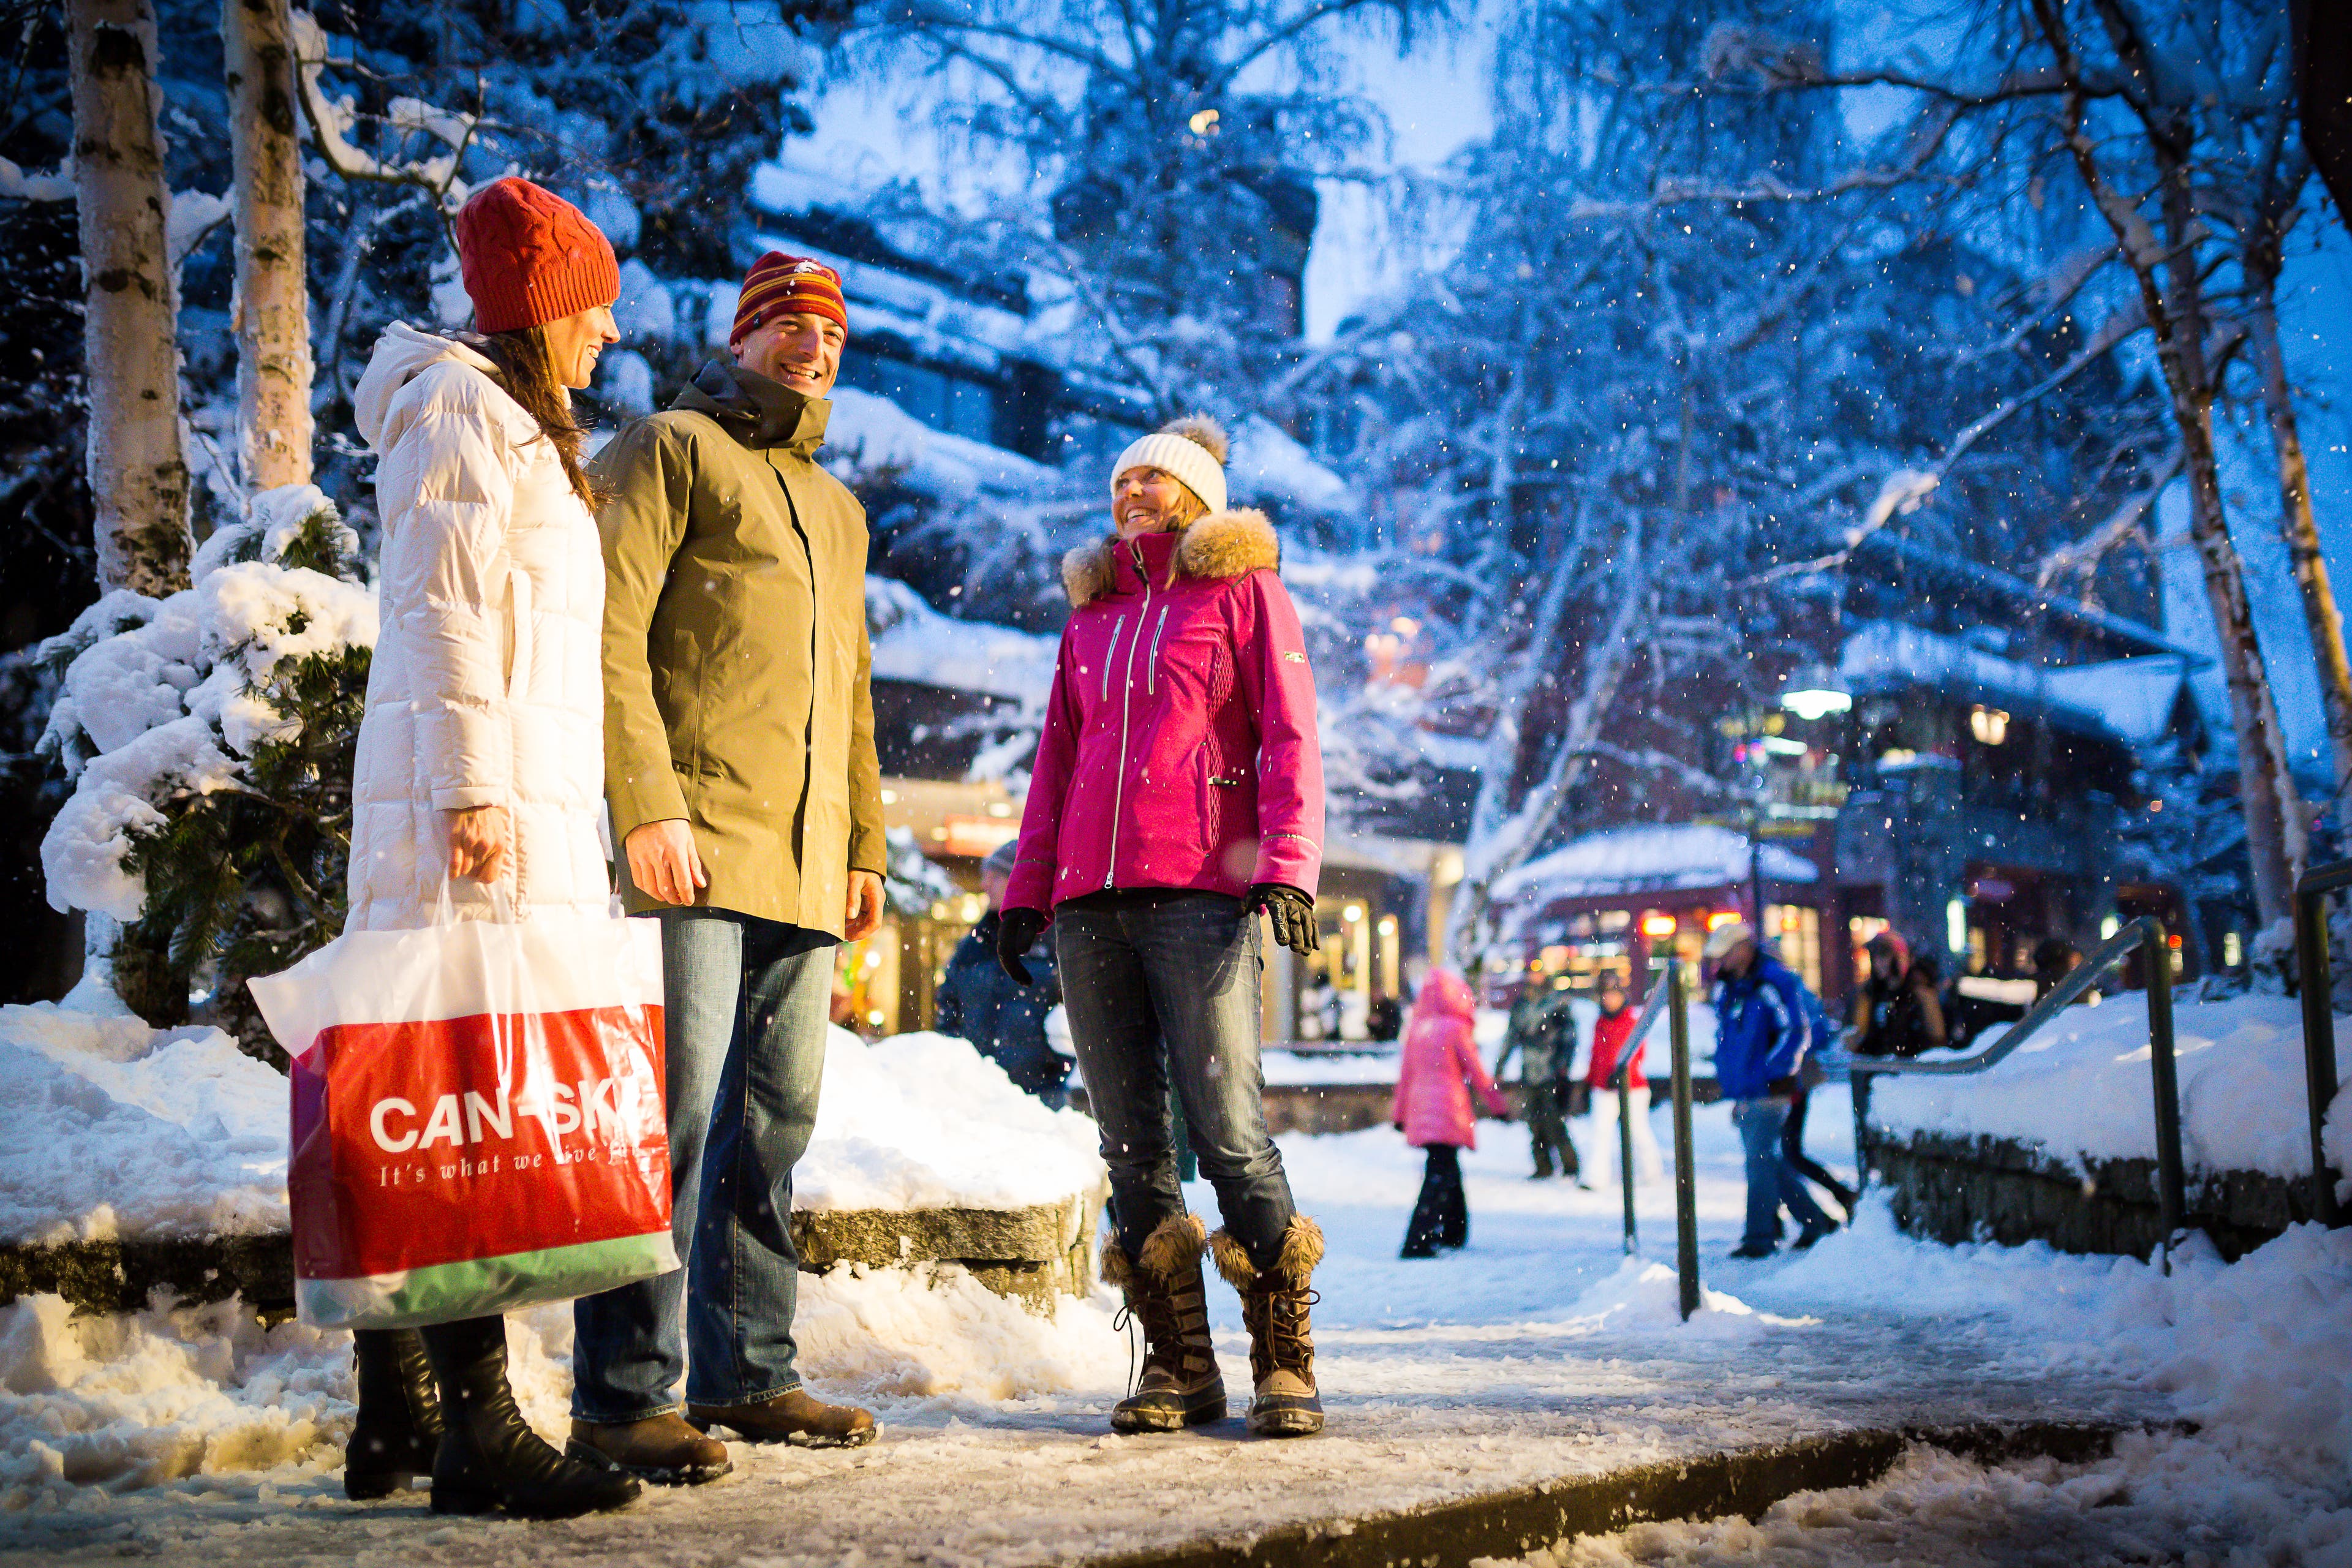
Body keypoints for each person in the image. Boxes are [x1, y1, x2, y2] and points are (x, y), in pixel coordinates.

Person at [340, 177, 636, 1518]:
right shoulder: (464, 405)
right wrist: (473, 792)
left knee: (437, 1090)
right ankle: (477, 1426)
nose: (608, 339)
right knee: (463, 1109)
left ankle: (395, 1416)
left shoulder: (508, 417)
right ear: (541, 306)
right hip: (473, 810)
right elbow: (444, 606)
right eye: (593, 311)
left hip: (504, 798)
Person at [572, 250, 887, 1483]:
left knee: (774, 1128)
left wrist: (862, 841)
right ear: (747, 335)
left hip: (805, 863)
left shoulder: (840, 507)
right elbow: (606, 634)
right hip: (692, 844)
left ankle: (748, 1372)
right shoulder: (668, 448)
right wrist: (644, 804)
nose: (813, 349)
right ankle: (623, 1394)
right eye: (791, 329)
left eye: (832, 336)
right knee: (668, 1122)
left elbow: (851, 694)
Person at [998, 415, 1329, 1438]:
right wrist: (1027, 888)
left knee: (1229, 1136)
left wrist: (1287, 866)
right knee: (1132, 1146)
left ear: (1194, 499)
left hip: (1200, 892)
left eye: (1154, 480)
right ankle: (1179, 1365)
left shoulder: (1241, 593)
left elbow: (1290, 730)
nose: (1132, 494)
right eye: (1121, 482)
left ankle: (1285, 1361)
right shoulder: (1090, 618)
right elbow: (1057, 760)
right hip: (1092, 905)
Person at [1706, 920, 1837, 1259]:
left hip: (1770, 1088)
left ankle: (1760, 1237)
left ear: (1743, 949)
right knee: (1766, 1161)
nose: (1719, 961)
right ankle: (1816, 1222)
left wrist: (1772, 1073)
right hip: (1751, 1088)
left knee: (1760, 1161)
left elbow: (1797, 1030)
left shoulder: (1772, 982)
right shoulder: (1735, 987)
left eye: (1724, 954)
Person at [935, 840, 1069, 1107]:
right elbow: (947, 1005)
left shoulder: (1058, 940)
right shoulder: (974, 944)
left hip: (1038, 1101)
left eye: (995, 876)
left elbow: (1074, 1022)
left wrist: (1056, 1070)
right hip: (973, 1098)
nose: (985, 884)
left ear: (1020, 880)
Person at [1394, 969, 1513, 1257]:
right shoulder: (1455, 1029)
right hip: (1448, 1109)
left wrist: (1400, 1115)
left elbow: (1406, 1076)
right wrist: (1499, 1106)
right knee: (1439, 1173)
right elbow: (1479, 1073)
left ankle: (1454, 1231)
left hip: (1421, 1109)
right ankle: (1418, 1241)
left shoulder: (1417, 1029)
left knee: (1447, 1169)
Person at [1494, 974, 1580, 1180]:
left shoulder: (1557, 1004)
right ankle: (1544, 1166)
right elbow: (1511, 1036)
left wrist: (1563, 1066)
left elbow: (1569, 1038)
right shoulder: (1522, 1006)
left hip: (1551, 1073)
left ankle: (1570, 1166)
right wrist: (1500, 1066)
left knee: (1554, 1122)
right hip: (1530, 1072)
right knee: (1534, 1122)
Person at [1581, 978, 1665, 1188]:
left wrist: (1620, 1073)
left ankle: (1652, 1173)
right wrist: (1590, 1081)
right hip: (1603, 1088)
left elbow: (1637, 1054)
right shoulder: (1600, 1022)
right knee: (1600, 1132)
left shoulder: (1630, 1022)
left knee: (1638, 1131)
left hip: (1632, 1087)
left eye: (1613, 995)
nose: (1609, 1000)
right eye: (1606, 995)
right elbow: (1596, 1055)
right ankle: (1595, 1177)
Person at [1850, 930, 1947, 1058]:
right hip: (1879, 1072)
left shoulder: (1920, 993)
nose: (1879, 962)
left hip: (1911, 1071)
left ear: (1902, 958)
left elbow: (1937, 1040)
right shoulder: (1871, 994)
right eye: (1875, 956)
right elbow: (1861, 1036)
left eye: (1884, 955)